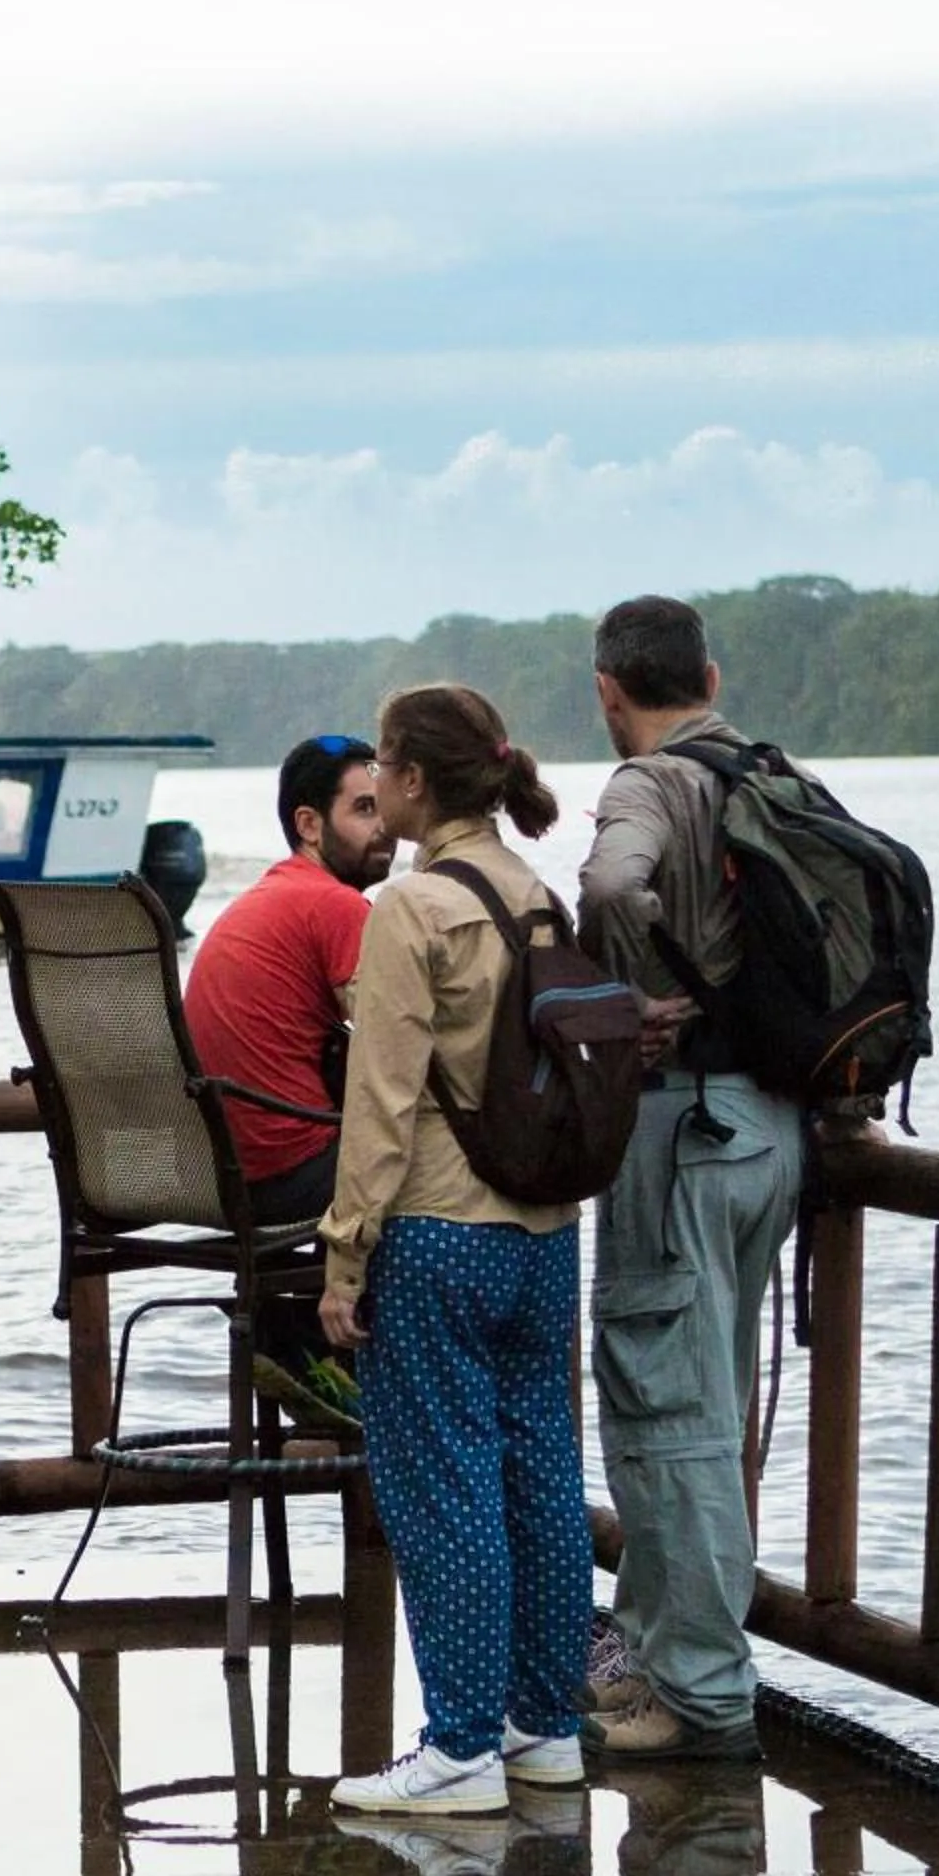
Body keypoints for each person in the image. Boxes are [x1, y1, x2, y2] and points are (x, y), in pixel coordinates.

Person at [318, 684, 594, 1816]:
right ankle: (547, 1727)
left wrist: (344, 1259)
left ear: (416, 780)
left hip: (436, 1231)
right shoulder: (539, 892)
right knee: (543, 1480)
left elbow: (379, 1105)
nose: (374, 785)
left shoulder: (411, 905)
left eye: (381, 764)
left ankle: (461, 1746)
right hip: (543, 1234)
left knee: (444, 1491)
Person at [576, 596, 805, 1761]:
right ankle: (665, 1659)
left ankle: (704, 1697)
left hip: (681, 1130)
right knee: (708, 1402)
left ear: (609, 690)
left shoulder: (649, 785)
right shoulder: (774, 772)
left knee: (673, 1423)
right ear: (709, 673)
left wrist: (624, 1006)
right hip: (773, 1131)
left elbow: (616, 889)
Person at [184, 733, 397, 1225]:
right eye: (365, 810)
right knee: (447, 1158)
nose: (386, 827)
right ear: (309, 824)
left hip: (217, 1175)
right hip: (292, 1171)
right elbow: (394, 1044)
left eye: (385, 807)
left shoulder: (272, 894)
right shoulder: (336, 905)